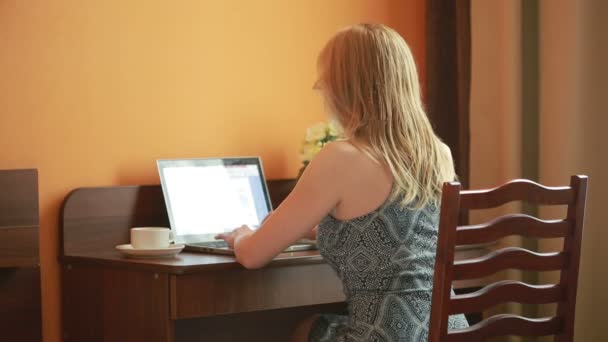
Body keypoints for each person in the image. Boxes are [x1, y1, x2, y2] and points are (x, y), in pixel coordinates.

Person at [216, 23, 469, 342]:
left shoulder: (342, 157)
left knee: (306, 329)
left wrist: (243, 236)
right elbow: (397, 235)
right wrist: (317, 231)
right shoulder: (438, 153)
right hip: (452, 333)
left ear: (346, 87)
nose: (318, 87)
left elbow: (253, 256)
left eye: (326, 79)